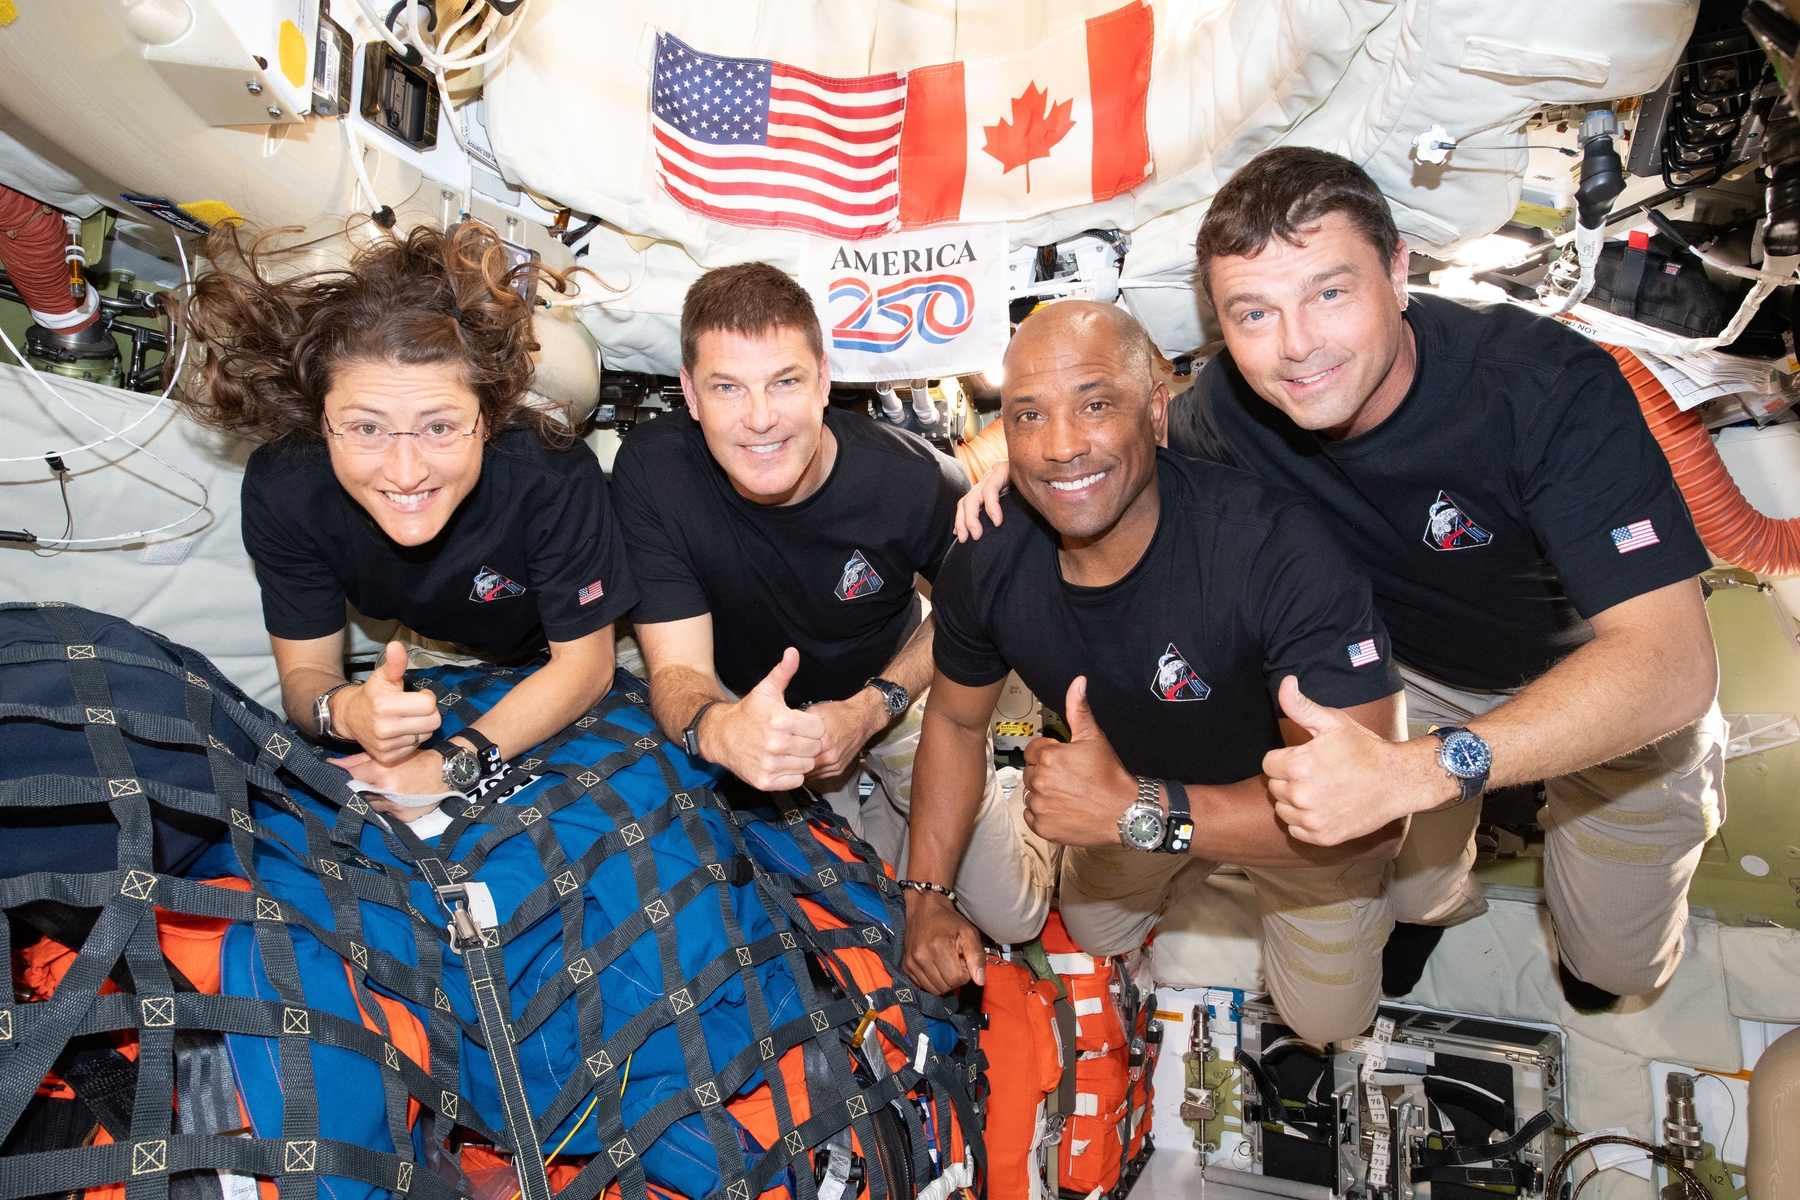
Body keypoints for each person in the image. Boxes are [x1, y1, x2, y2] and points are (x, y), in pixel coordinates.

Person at [956, 147, 1723, 1012]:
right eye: (1254, 312)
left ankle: (1580, 932)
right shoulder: (1231, 409)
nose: (1296, 347)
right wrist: (1028, 467)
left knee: (1617, 970)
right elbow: (1118, 433)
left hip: (1602, 674)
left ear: (1397, 272)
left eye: (1329, 292)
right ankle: (1437, 904)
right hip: (1413, 676)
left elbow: (1671, 663)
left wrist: (1427, 771)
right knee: (1410, 887)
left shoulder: (1541, 388)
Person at [906, 299, 1408, 1045]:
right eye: (1029, 416)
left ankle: (1386, 898)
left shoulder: (1277, 551)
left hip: (1294, 820)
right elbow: (952, 719)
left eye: (1095, 405)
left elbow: (1376, 820)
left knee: (1330, 1024)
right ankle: (1163, 848)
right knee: (1096, 931)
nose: (1061, 447)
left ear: (1156, 412)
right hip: (1131, 792)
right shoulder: (988, 558)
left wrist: (1135, 810)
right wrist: (925, 892)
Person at [609, 263, 1052, 942]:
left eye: (784, 381)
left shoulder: (914, 479)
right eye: (727, 387)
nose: (760, 418)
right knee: (845, 915)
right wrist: (724, 730)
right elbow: (677, 670)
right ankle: (877, 814)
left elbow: (970, 614)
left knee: (1013, 920)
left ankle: (1008, 797)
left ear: (822, 380)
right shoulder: (653, 470)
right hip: (760, 706)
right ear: (690, 394)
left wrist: (871, 709)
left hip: (893, 687)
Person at [178, 221, 637, 816]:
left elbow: (585, 666)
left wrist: (447, 766)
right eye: (366, 427)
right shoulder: (285, 488)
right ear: (320, 422)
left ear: (489, 418)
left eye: (439, 426)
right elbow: (308, 672)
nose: (405, 471)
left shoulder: (550, 472)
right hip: (443, 646)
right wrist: (345, 711)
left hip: (592, 642)